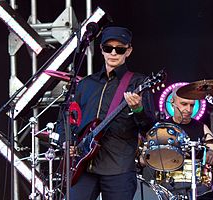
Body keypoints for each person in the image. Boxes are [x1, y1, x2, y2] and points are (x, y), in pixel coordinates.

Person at [57, 26, 156, 200]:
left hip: (118, 167)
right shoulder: (86, 84)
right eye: (108, 48)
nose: (113, 53)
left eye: (120, 49)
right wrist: (68, 142)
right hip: (84, 166)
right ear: (101, 50)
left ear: (129, 51)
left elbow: (149, 126)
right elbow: (65, 118)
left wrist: (138, 109)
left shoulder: (138, 82)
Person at [165, 86, 213, 199]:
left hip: (198, 188)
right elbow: (144, 159)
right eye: (184, 104)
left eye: (192, 105)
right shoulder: (162, 127)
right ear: (172, 102)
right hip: (167, 186)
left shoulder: (202, 127)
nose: (188, 110)